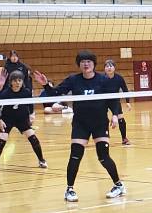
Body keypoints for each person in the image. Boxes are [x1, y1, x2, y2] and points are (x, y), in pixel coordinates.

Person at [37, 50, 123, 202]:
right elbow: (56, 92)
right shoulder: (73, 80)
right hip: (80, 123)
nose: (86, 64)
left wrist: (115, 115)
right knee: (75, 156)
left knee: (103, 157)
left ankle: (118, 185)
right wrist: (45, 84)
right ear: (79, 64)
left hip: (99, 123)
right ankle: (69, 189)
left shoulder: (103, 80)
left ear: (94, 64)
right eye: (83, 62)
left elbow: (113, 100)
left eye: (88, 61)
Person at [0, 68, 47, 170]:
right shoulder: (5, 94)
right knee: (2, 139)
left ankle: (42, 160)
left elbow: (30, 104)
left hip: (22, 119)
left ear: (22, 81)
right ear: (11, 82)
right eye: (15, 81)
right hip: (7, 119)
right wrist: (0, 120)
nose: (17, 83)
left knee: (33, 138)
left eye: (19, 80)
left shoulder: (26, 92)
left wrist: (31, 114)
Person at [102, 59, 132, 145]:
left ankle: (124, 138)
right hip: (103, 101)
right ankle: (104, 137)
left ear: (114, 68)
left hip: (115, 101)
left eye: (111, 66)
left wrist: (127, 102)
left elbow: (125, 89)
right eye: (107, 66)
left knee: (121, 118)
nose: (109, 68)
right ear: (104, 68)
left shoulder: (119, 78)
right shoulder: (101, 78)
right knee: (103, 119)